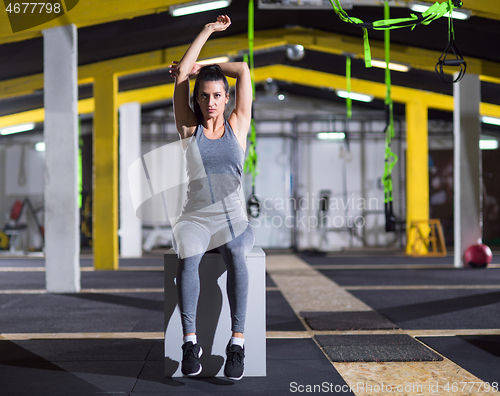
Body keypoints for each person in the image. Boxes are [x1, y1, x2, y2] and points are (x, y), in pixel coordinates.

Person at [168, 15, 255, 380]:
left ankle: (237, 342)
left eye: (217, 95)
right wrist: (205, 31)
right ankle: (190, 343)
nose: (211, 101)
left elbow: (244, 68)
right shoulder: (189, 127)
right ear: (197, 99)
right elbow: (181, 74)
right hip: (197, 217)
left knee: (236, 252)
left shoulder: (239, 124)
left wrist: (208, 66)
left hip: (233, 217)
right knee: (187, 256)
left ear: (227, 97)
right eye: (204, 96)